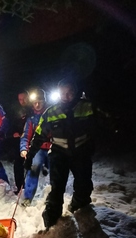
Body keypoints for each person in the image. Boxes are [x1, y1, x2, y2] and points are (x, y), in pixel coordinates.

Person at [25, 78, 96, 229]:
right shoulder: (51, 112)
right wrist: (30, 155)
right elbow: (39, 135)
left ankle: (79, 210)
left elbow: (99, 126)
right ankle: (52, 222)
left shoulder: (87, 106)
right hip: (59, 154)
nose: (66, 96)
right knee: (57, 188)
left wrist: (93, 144)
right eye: (63, 93)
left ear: (76, 92)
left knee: (84, 186)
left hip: (81, 152)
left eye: (70, 92)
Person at [20, 88, 50, 207]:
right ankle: (28, 197)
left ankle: (54, 195)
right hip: (38, 147)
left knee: (56, 169)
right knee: (33, 167)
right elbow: (26, 135)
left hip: (54, 146)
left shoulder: (52, 113)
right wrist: (23, 148)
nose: (37, 105)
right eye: (35, 102)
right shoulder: (31, 119)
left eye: (40, 102)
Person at [5, 91, 31, 194]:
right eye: (20, 99)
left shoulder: (33, 109)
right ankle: (20, 186)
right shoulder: (16, 111)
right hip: (18, 141)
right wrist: (13, 133)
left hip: (31, 139)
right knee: (18, 163)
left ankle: (30, 186)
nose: (22, 101)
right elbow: (11, 125)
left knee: (31, 163)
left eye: (24, 98)